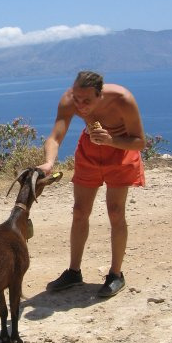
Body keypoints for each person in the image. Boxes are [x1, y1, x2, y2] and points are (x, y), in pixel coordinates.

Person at [38, 71, 146, 297]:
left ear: (100, 94)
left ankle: (116, 275)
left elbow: (139, 142)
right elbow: (55, 136)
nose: (80, 105)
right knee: (79, 211)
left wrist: (111, 140)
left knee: (115, 212)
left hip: (120, 152)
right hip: (89, 151)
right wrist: (48, 162)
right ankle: (74, 272)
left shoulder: (122, 100)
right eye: (77, 99)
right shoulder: (70, 100)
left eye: (87, 100)